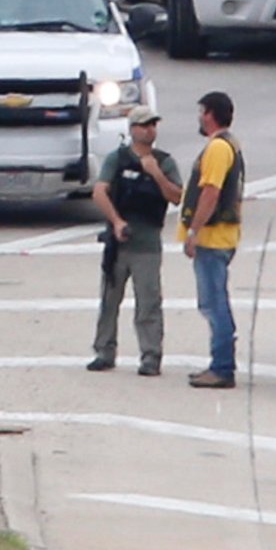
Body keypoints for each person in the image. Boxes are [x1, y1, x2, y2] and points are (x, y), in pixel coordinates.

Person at [88, 105, 183, 376]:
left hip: (148, 243)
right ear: (132, 130)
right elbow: (99, 192)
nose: (150, 129)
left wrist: (155, 173)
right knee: (109, 300)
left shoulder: (164, 161)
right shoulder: (117, 159)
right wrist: (116, 222)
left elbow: (177, 197)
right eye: (144, 125)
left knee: (149, 303)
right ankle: (104, 351)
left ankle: (151, 356)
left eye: (153, 124)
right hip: (119, 243)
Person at [181, 91, 247, 389]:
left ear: (210, 114)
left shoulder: (218, 149)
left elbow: (210, 193)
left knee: (214, 303)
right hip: (221, 236)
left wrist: (193, 231)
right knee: (213, 301)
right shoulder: (228, 144)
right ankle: (220, 363)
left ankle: (222, 366)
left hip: (213, 238)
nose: (198, 117)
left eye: (201, 111)